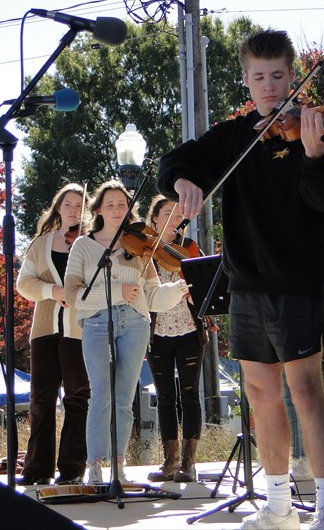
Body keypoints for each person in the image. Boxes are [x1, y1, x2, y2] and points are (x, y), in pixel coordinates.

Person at [157, 29, 324, 530]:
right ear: (246, 80)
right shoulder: (234, 136)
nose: (269, 87)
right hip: (245, 281)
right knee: (260, 392)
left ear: (292, 75)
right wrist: (182, 182)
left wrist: (312, 156)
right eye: (259, 77)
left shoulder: (313, 130)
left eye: (278, 76)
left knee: (306, 391)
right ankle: (279, 506)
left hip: (296, 278)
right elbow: (180, 160)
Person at [64, 180, 189, 485]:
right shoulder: (83, 245)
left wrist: (178, 290)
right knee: (100, 396)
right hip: (96, 323)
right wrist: (118, 291)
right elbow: (72, 295)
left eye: (122, 204)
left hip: (135, 323)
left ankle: (118, 467)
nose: (118, 210)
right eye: (111, 205)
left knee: (123, 398)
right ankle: (95, 466)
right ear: (98, 210)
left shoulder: (140, 245)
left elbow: (151, 296)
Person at [16, 183, 91, 486]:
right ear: (58, 207)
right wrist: (53, 290)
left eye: (79, 206)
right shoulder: (41, 243)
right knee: (41, 399)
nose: (74, 210)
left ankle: (72, 469)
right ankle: (37, 469)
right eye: (68, 204)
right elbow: (24, 284)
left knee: (77, 396)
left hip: (79, 331)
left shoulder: (89, 244)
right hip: (45, 329)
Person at [144, 195, 206, 483]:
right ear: (154, 219)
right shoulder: (145, 250)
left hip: (188, 329)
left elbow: (204, 285)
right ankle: (169, 462)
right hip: (158, 332)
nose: (173, 218)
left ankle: (188, 464)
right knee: (165, 397)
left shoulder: (191, 249)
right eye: (166, 213)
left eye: (178, 214)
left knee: (190, 395)